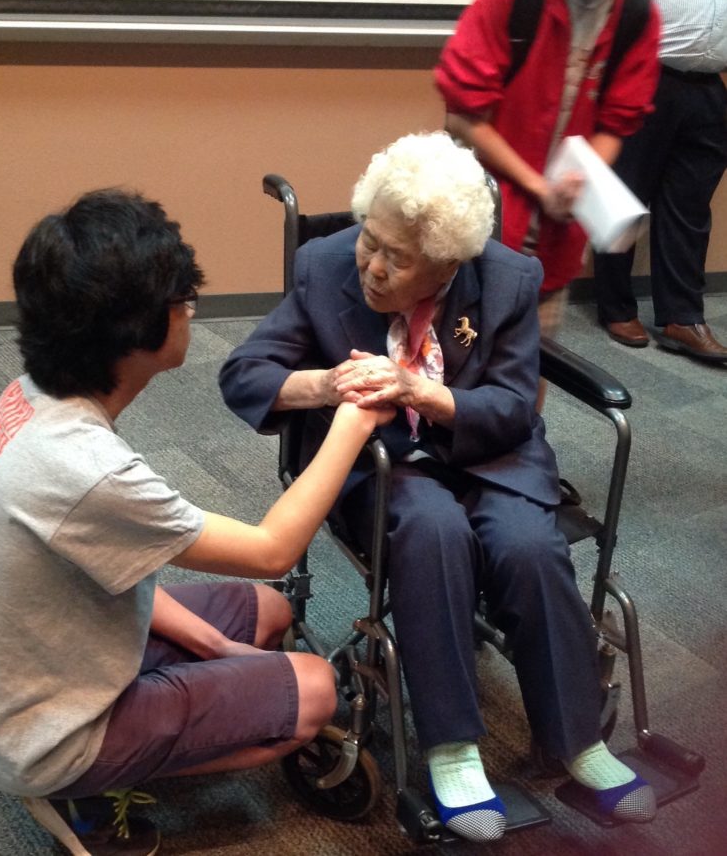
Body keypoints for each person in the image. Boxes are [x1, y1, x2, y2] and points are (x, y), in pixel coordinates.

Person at [219, 132, 658, 843]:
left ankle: (578, 738)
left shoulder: (506, 280)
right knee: (433, 531)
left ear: (450, 263)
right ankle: (452, 746)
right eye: (371, 240)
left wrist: (426, 394)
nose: (374, 266)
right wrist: (325, 385)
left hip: (488, 454)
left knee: (528, 547)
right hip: (386, 468)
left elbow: (514, 406)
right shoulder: (324, 265)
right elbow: (244, 373)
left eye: (400, 257)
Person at [0, 189, 392, 856]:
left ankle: (129, 732)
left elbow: (116, 571)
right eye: (184, 303)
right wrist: (353, 421)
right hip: (40, 731)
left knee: (264, 616)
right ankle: (76, 786)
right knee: (316, 692)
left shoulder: (34, 395)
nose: (190, 313)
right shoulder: (85, 468)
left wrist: (215, 649)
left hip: (18, 668)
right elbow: (273, 548)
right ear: (135, 334)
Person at [434, 0, 660, 341]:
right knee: (454, 352)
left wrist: (578, 181)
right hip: (480, 214)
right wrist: (540, 188)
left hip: (555, 237)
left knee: (533, 359)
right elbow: (463, 116)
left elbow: (616, 123)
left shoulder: (636, 13)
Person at [593, 0, 727, 361]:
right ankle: (616, 307)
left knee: (689, 206)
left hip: (709, 84)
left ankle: (682, 317)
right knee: (623, 194)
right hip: (644, 74)